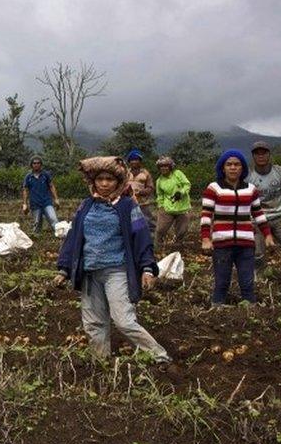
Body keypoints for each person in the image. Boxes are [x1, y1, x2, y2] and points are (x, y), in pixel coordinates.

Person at [54, 157, 170, 364]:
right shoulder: (86, 206)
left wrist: (147, 268)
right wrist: (63, 269)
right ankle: (101, 362)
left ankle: (160, 356)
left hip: (116, 271)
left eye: (110, 179)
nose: (105, 184)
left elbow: (141, 237)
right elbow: (73, 237)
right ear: (93, 182)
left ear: (118, 182)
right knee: (93, 323)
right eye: (100, 179)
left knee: (124, 321)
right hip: (90, 272)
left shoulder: (127, 206)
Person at [201, 150, 274, 305]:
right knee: (221, 283)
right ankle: (217, 311)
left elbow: (258, 214)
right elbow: (206, 216)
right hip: (222, 244)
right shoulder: (214, 188)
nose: (233, 167)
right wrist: (206, 239)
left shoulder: (250, 189)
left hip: (246, 244)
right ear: (223, 168)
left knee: (247, 283)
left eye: (237, 164)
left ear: (243, 168)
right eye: (229, 164)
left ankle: (250, 314)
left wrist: (267, 235)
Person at [247, 140, 281, 285]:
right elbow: (244, 201)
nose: (261, 156)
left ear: (269, 154)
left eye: (264, 152)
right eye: (257, 153)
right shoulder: (248, 176)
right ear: (253, 156)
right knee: (257, 253)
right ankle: (260, 281)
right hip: (257, 219)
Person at [154, 155, 191, 251]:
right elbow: (160, 195)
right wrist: (161, 206)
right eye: (161, 166)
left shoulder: (178, 174)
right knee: (160, 230)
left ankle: (176, 248)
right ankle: (158, 249)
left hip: (182, 208)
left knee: (182, 231)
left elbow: (187, 184)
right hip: (167, 208)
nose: (164, 168)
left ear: (170, 166)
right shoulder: (159, 181)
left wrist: (181, 192)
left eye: (166, 166)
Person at [22, 156, 60, 234]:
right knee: (37, 224)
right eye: (34, 163)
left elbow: (51, 186)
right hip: (35, 204)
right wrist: (25, 204)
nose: (36, 165)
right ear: (31, 165)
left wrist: (56, 199)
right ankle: (37, 240)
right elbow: (25, 190)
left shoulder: (45, 175)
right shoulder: (28, 177)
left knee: (54, 219)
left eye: (38, 163)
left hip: (47, 202)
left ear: (41, 164)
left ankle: (60, 236)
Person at [126, 149, 155, 232]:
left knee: (147, 221)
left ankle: (151, 239)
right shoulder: (126, 173)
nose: (134, 162)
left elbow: (150, 188)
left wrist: (141, 192)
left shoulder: (145, 173)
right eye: (132, 160)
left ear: (140, 161)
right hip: (129, 202)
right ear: (129, 162)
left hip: (143, 203)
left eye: (136, 159)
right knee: (131, 223)